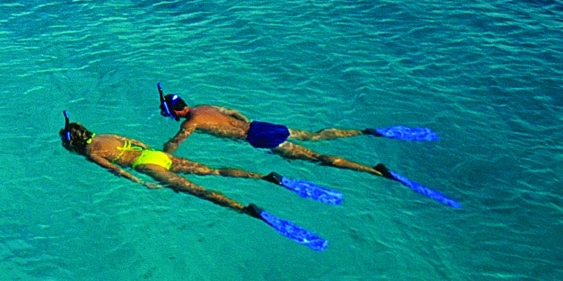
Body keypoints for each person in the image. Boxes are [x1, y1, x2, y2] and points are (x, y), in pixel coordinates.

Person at [59, 113, 292, 218]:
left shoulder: (91, 151)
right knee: (214, 170)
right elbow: (136, 142)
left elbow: (116, 170)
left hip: (145, 164)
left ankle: (242, 208)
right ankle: (263, 177)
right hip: (156, 154)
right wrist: (156, 154)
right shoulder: (105, 135)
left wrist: (142, 182)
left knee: (196, 190)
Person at [158, 89, 394, 180]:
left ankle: (374, 170)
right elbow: (234, 112)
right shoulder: (204, 106)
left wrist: (163, 156)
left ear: (177, 112)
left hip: (259, 138)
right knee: (314, 136)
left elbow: (175, 144)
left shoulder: (191, 123)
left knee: (317, 158)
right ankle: (363, 132)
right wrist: (246, 124)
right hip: (261, 126)